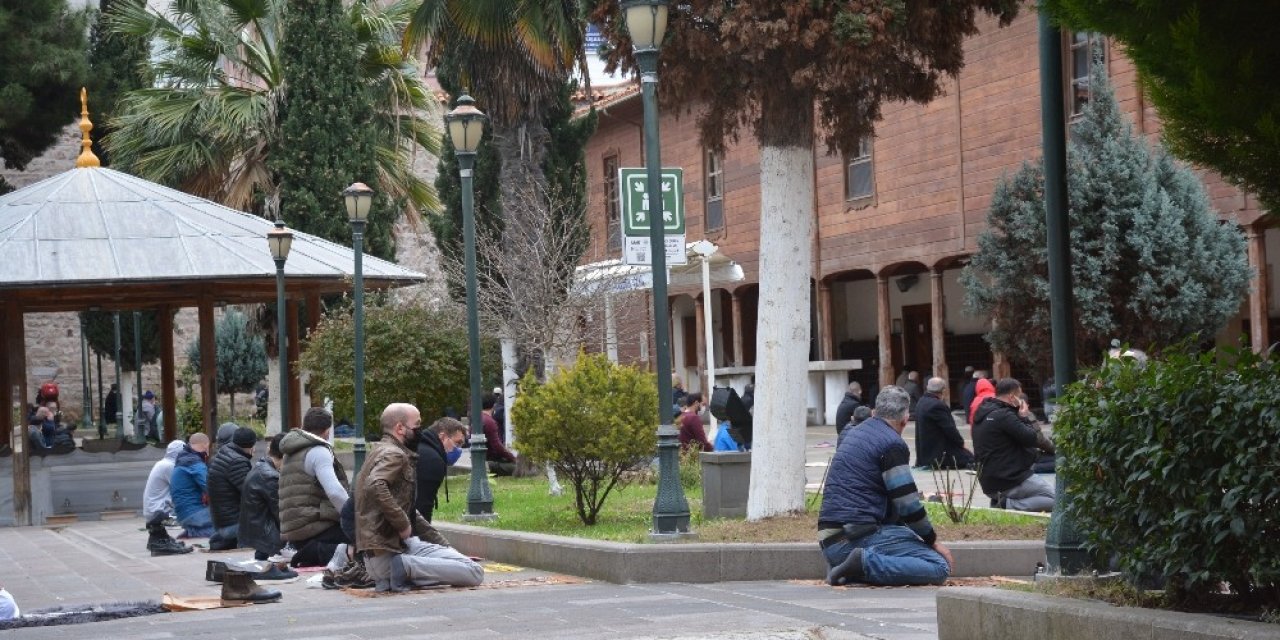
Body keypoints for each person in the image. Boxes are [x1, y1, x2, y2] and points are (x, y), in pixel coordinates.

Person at [819, 386, 953, 586]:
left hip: (832, 538)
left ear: (874, 412)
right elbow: (907, 503)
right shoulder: (891, 444)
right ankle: (862, 565)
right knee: (938, 566)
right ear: (905, 419)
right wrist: (932, 540)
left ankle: (848, 567)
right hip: (855, 536)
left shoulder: (855, 433)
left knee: (907, 536)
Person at [355, 403, 484, 592]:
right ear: (400, 428)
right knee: (474, 572)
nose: (420, 431)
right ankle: (406, 567)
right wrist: (402, 524)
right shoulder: (395, 454)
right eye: (417, 426)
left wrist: (443, 545)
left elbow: (409, 511)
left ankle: (399, 574)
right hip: (392, 552)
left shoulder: (378, 450)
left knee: (446, 568)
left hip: (377, 557)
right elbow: (376, 485)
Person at [280, 408, 350, 568]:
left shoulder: (290, 452)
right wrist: (354, 518)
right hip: (314, 526)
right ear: (327, 431)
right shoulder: (319, 451)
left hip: (293, 529)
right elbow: (335, 492)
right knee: (365, 545)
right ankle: (315, 552)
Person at [972, 378, 1056, 512]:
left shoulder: (982, 412)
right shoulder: (1004, 415)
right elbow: (1032, 438)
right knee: (1057, 501)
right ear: (1012, 397)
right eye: (1020, 396)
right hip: (1011, 479)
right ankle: (1006, 504)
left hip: (990, 482)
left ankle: (1003, 501)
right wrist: (1025, 416)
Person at [208, 426, 257, 551]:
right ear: (252, 446)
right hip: (231, 526)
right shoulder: (237, 461)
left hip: (221, 522)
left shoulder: (224, 454)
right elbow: (253, 493)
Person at [239, 434, 286, 562]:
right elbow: (281, 514)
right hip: (267, 538)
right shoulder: (270, 477)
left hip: (257, 532)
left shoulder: (261, 467)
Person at [142, 440, 193, 555]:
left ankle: (160, 538)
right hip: (158, 510)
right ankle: (159, 541)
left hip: (153, 508)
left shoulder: (163, 463)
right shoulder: (169, 466)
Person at [415, 417, 468, 527]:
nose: (458, 449)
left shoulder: (418, 447)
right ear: (442, 436)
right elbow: (423, 508)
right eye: (457, 443)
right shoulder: (432, 460)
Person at [914, 377, 975, 470]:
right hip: (938, 454)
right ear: (943, 390)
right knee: (971, 458)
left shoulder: (921, 402)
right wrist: (961, 443)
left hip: (924, 454)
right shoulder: (937, 405)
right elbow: (950, 429)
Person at [170, 433, 214, 538]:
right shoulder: (194, 463)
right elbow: (210, 488)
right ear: (205, 446)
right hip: (193, 512)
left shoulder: (183, 459)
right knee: (228, 529)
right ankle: (194, 532)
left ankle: (192, 530)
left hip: (183, 513)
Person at [481, 395, 518, 476]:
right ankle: (490, 467)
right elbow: (497, 446)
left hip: (482, 459)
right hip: (491, 461)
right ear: (494, 405)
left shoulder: (477, 419)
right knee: (518, 468)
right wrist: (512, 458)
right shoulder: (489, 422)